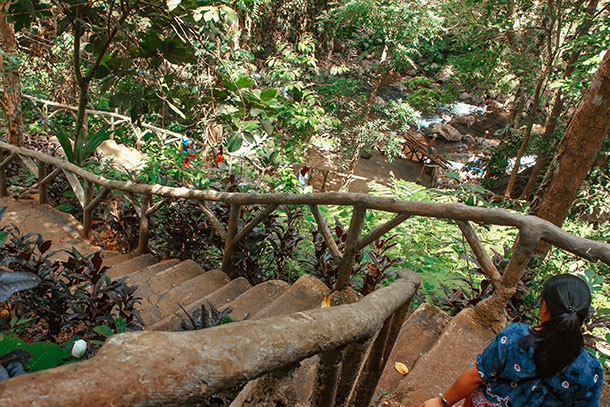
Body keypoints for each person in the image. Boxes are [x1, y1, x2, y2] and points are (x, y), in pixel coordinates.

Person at [420, 274, 603, 407]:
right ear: (583, 317)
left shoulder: (515, 337)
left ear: (544, 307)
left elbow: (477, 374)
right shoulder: (591, 370)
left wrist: (442, 402)